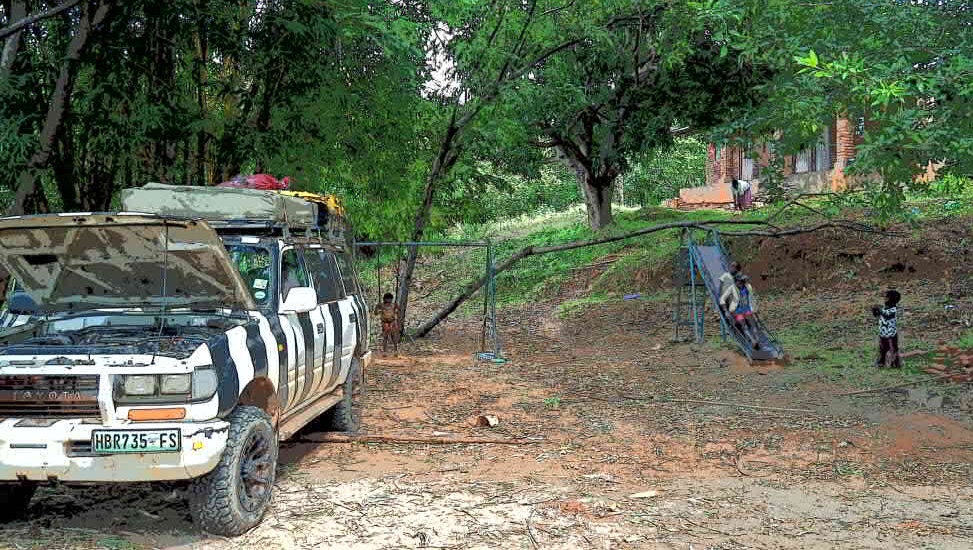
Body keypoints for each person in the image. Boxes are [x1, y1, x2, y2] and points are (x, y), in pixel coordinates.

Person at [721, 274, 761, 349]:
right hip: (737, 310)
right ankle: (753, 341)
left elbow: (749, 282)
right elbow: (722, 298)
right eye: (738, 282)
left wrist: (755, 309)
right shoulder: (732, 288)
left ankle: (758, 340)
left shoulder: (747, 286)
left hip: (747, 309)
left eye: (741, 282)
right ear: (735, 282)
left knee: (753, 325)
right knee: (744, 326)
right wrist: (725, 310)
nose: (740, 284)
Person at [872, 289, 902, 368]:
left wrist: (879, 309)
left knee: (893, 350)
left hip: (891, 335)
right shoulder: (884, 308)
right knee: (882, 350)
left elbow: (887, 315)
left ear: (892, 299)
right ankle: (881, 363)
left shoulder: (893, 309)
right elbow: (878, 315)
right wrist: (875, 311)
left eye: (886, 297)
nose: (884, 299)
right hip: (883, 334)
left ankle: (895, 364)